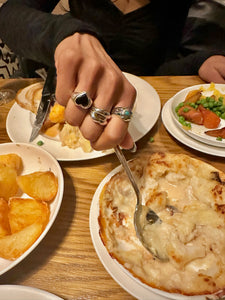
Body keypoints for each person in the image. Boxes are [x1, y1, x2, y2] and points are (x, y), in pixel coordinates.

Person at [0, 0, 224, 151]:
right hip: (76, 97)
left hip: (142, 121)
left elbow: (160, 71)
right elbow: (8, 14)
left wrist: (198, 61)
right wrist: (65, 34)